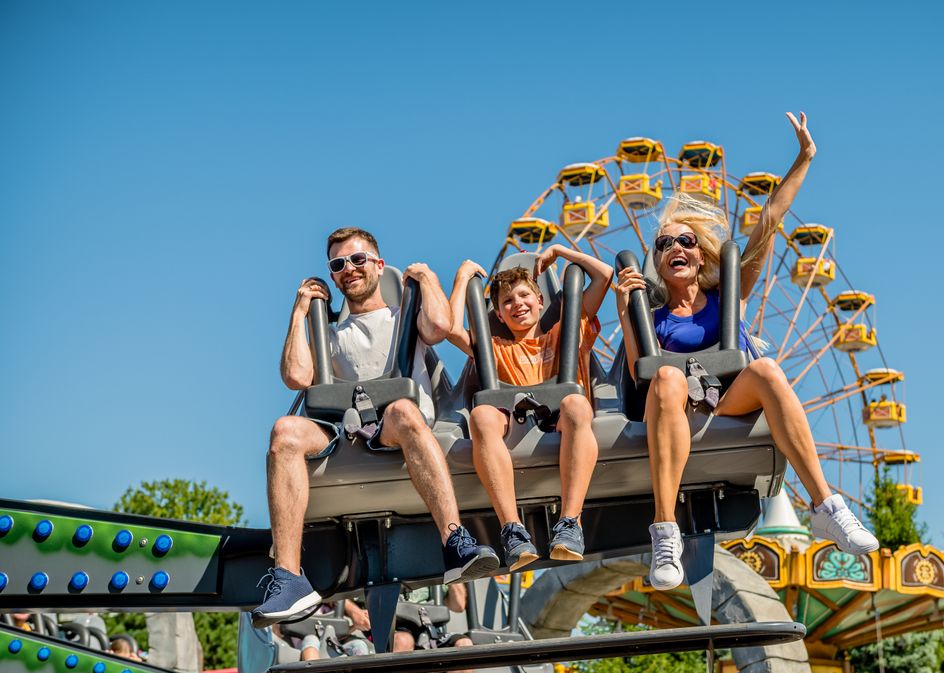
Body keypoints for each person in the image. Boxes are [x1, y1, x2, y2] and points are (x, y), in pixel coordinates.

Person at [614, 113, 878, 591]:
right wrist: (623, 302)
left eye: (685, 240)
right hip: (676, 407)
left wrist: (804, 158)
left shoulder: (725, 296)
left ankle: (825, 507)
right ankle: (665, 529)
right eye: (663, 242)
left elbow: (769, 221)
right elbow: (639, 371)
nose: (674, 246)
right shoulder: (651, 315)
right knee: (669, 377)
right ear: (656, 258)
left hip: (726, 398)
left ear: (700, 254)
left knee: (768, 368)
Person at [252, 227, 497, 628]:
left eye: (358, 259)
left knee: (401, 408)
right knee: (284, 431)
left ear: (379, 266)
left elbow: (439, 326)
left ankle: (454, 540)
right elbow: (297, 376)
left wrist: (427, 278)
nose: (349, 268)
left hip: (397, 424)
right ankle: (289, 577)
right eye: (338, 264)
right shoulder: (328, 333)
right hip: (345, 431)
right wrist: (299, 312)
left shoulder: (405, 316)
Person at [447, 245, 613, 569]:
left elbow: (604, 275)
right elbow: (450, 329)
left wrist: (562, 252)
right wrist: (463, 276)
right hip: (514, 426)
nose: (517, 305)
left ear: (540, 301)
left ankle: (570, 522)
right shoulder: (496, 347)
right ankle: (512, 528)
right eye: (507, 302)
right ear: (497, 315)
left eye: (524, 296)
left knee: (577, 405)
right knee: (481, 415)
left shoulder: (566, 330)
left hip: (562, 420)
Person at [295, 599, 382, 673]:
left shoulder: (332, 607)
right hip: (304, 642)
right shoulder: (297, 604)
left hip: (331, 645)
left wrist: (354, 627)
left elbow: (339, 633)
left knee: (359, 645)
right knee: (311, 639)